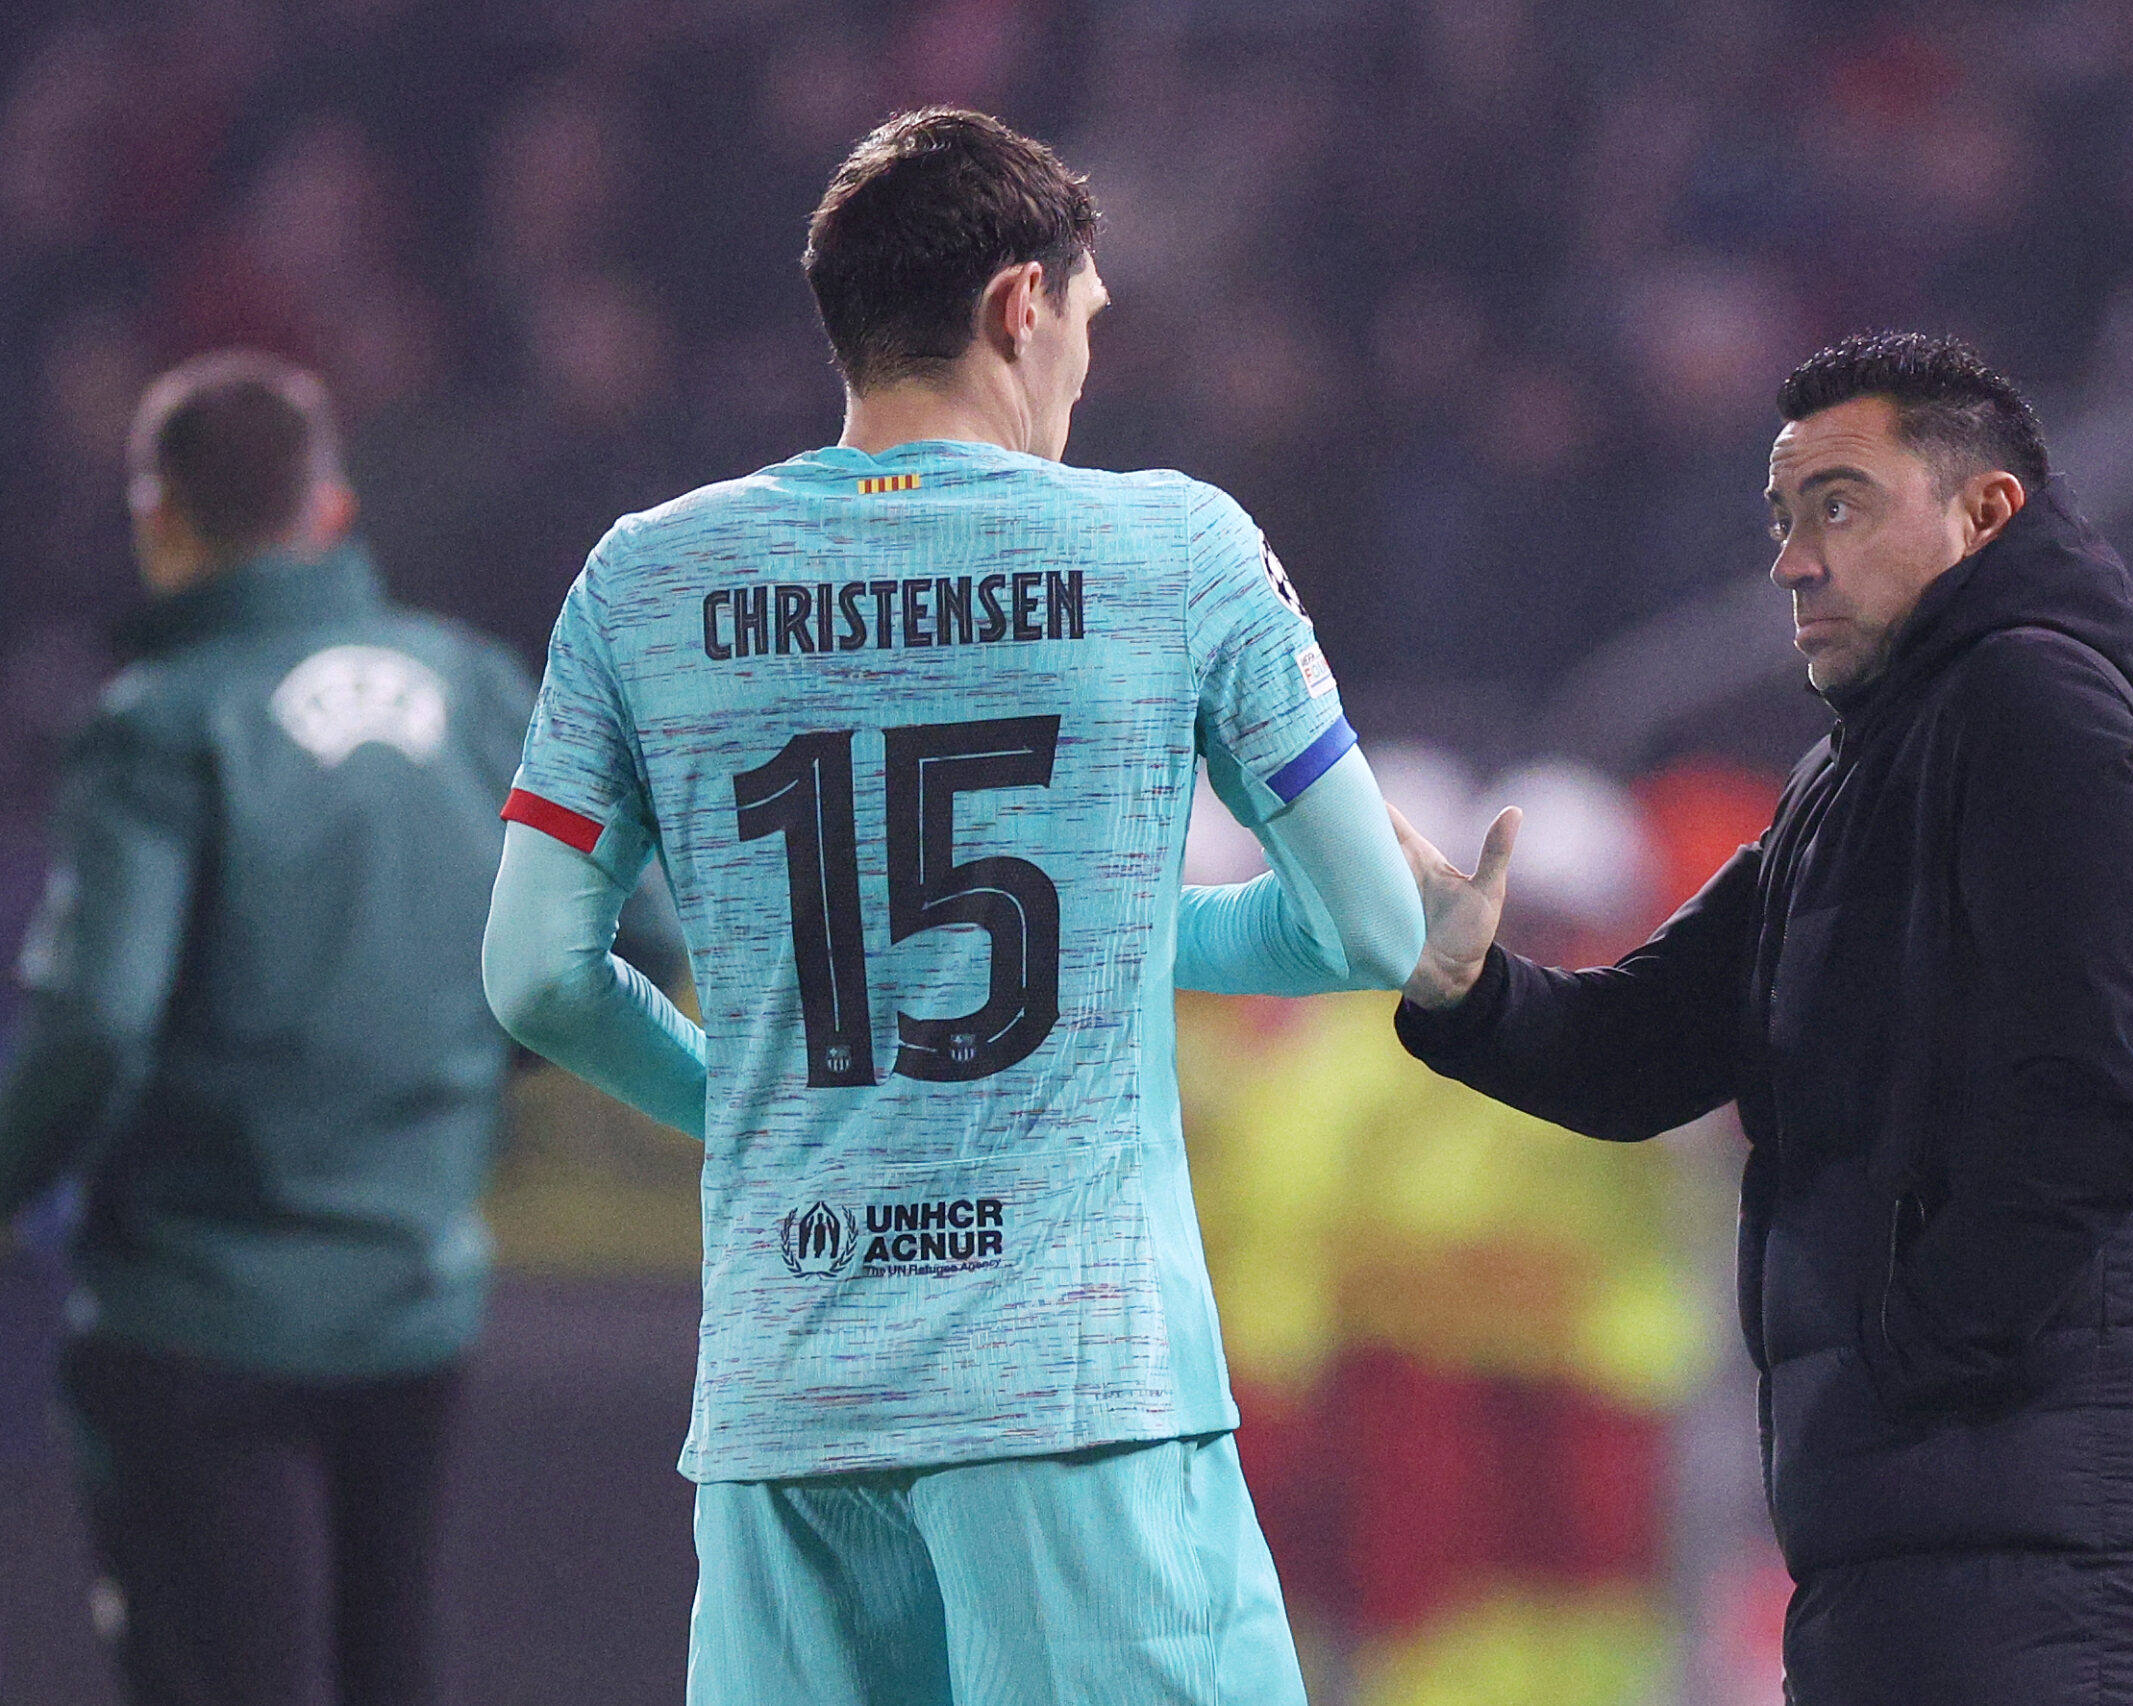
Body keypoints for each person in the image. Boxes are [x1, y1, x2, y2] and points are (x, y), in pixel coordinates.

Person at [481, 108, 1424, 1706]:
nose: (1084, 370)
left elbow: (535, 976)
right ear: (1019, 305)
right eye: (1088, 323)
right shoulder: (1173, 548)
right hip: (1076, 1395)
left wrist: (749, 1114)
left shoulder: (641, 580)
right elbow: (1369, 931)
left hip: (789, 1397)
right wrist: (1219, 926)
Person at [1392, 332, 2133, 1704]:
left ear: (1983, 514)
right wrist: (1467, 986)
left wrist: (1913, 1361)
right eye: (1784, 519)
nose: (1793, 558)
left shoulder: (2037, 701)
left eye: (1837, 506)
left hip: (2037, 1557)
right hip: (1931, 1545)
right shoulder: (1853, 777)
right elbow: (1643, 1049)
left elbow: (2105, 1091)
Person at [0, 351, 545, 1706]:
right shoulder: (476, 689)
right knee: (389, 1666)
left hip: (196, 1308)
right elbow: (618, 942)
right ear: (332, 510)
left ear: (158, 517)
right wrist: (432, 1083)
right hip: (413, 1292)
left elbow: (98, 1021)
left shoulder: (157, 726)